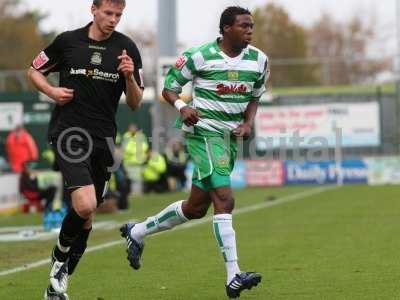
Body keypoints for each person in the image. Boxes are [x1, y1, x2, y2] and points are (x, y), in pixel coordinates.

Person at [120, 6, 269, 299]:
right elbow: (169, 88)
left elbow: (255, 96)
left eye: (252, 25)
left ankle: (137, 232)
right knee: (225, 200)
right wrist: (182, 106)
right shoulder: (199, 55)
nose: (250, 30)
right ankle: (233, 276)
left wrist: (248, 123)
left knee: (196, 208)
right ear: (226, 28)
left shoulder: (259, 60)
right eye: (244, 25)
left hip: (228, 139)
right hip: (204, 134)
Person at [27, 0, 144, 298]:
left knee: (87, 219)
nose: (113, 19)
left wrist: (129, 76)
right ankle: (59, 259)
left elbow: (135, 102)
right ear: (93, 9)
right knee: (85, 205)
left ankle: (56, 287)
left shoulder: (126, 48)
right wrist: (52, 91)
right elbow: (34, 70)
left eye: (119, 15)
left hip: (104, 141)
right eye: (108, 13)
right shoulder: (67, 42)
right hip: (70, 134)